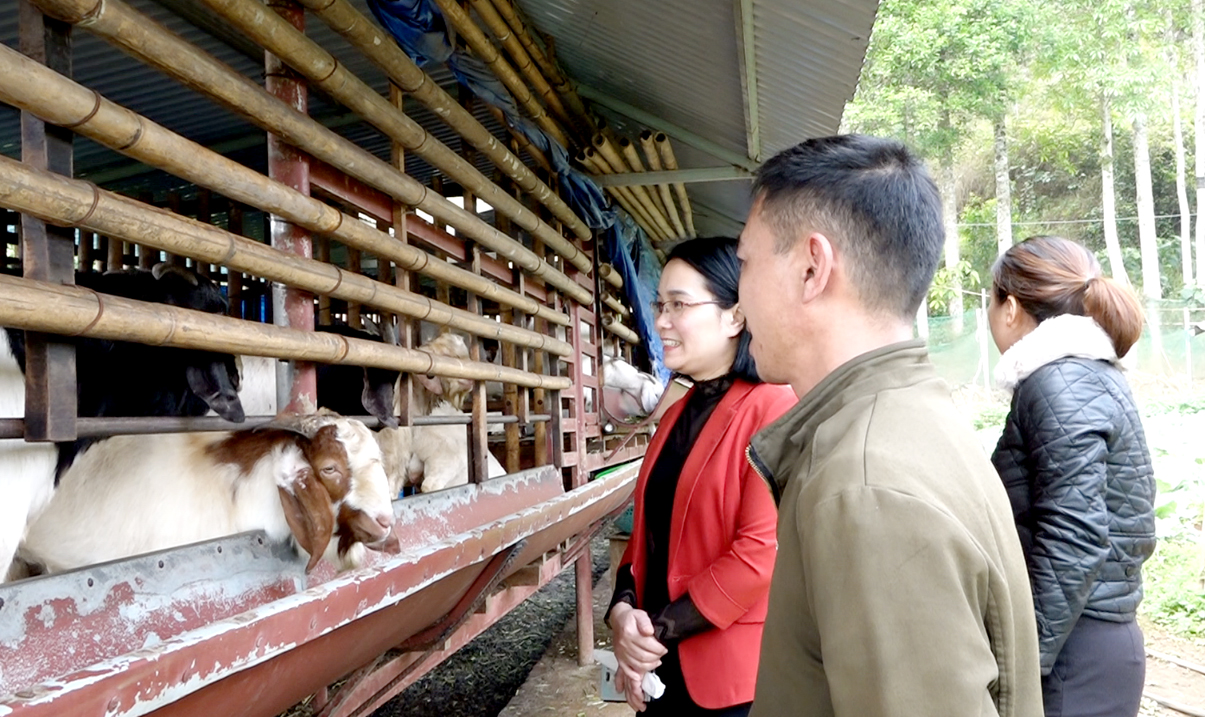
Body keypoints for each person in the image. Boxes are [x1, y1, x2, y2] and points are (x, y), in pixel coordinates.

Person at [735, 135, 1043, 717]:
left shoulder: (866, 483)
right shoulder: (911, 417)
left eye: (745, 263)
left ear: (811, 268)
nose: (739, 298)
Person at [606, 236, 797, 716]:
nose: (662, 321)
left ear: (735, 316)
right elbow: (648, 537)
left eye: (679, 305)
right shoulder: (676, 413)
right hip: (659, 672)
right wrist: (622, 611)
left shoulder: (773, 406)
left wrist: (653, 633)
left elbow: (759, 555)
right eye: (660, 304)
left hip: (730, 682)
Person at [987, 235, 1156, 717]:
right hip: (1091, 641)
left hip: (1072, 654)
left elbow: (1075, 537)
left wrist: (1025, 663)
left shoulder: (1057, 380)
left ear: (1011, 307)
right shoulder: (1089, 374)